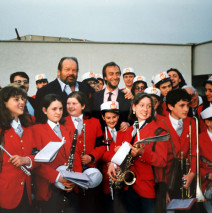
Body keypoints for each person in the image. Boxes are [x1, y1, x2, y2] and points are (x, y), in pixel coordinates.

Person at [108, 93, 168, 213]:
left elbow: (162, 161)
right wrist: (112, 164)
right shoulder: (128, 130)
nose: (145, 109)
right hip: (126, 186)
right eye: (141, 105)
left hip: (147, 188)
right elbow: (119, 153)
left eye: (149, 106)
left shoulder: (159, 131)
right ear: (134, 107)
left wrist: (141, 152)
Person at [32, 94, 82, 213]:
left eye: (60, 109)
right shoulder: (36, 130)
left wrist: (76, 179)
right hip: (49, 186)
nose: (58, 112)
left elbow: (75, 155)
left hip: (69, 185)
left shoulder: (67, 129)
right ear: (44, 110)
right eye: (54, 109)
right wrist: (57, 177)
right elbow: (36, 162)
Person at [64, 91, 106, 213]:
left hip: (90, 173)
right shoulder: (62, 122)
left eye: (74, 103)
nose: (70, 106)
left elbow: (102, 146)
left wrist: (92, 157)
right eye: (68, 103)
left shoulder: (95, 122)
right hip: (70, 175)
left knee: (90, 207)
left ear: (83, 106)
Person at [157, 89, 197, 208]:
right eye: (182, 105)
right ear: (170, 106)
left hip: (187, 176)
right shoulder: (160, 124)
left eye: (187, 105)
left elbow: (194, 151)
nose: (186, 109)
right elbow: (159, 161)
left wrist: (193, 173)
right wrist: (163, 189)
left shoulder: (191, 122)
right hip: (168, 179)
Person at [0, 86, 35, 213]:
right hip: (5, 195)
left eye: (23, 99)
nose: (22, 102)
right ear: (4, 102)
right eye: (16, 99)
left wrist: (27, 160)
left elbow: (39, 154)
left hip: (26, 192)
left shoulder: (30, 125)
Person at [35, 57, 95, 122]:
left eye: (74, 70)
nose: (71, 73)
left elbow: (92, 112)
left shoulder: (86, 87)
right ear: (59, 71)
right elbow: (40, 119)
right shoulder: (44, 91)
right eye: (67, 70)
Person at [100, 101, 127, 213]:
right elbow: (101, 153)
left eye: (114, 117)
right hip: (107, 177)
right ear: (103, 117)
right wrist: (117, 154)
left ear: (119, 116)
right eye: (108, 117)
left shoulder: (124, 130)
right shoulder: (101, 132)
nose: (111, 120)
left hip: (122, 176)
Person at [92, 61, 132, 132]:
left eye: (117, 74)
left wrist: (128, 124)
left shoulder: (127, 97)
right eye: (111, 74)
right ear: (105, 77)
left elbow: (133, 118)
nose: (115, 77)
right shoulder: (95, 97)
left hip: (120, 139)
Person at [199, 106, 212, 213]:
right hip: (206, 182)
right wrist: (207, 175)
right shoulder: (199, 138)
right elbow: (193, 164)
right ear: (208, 122)